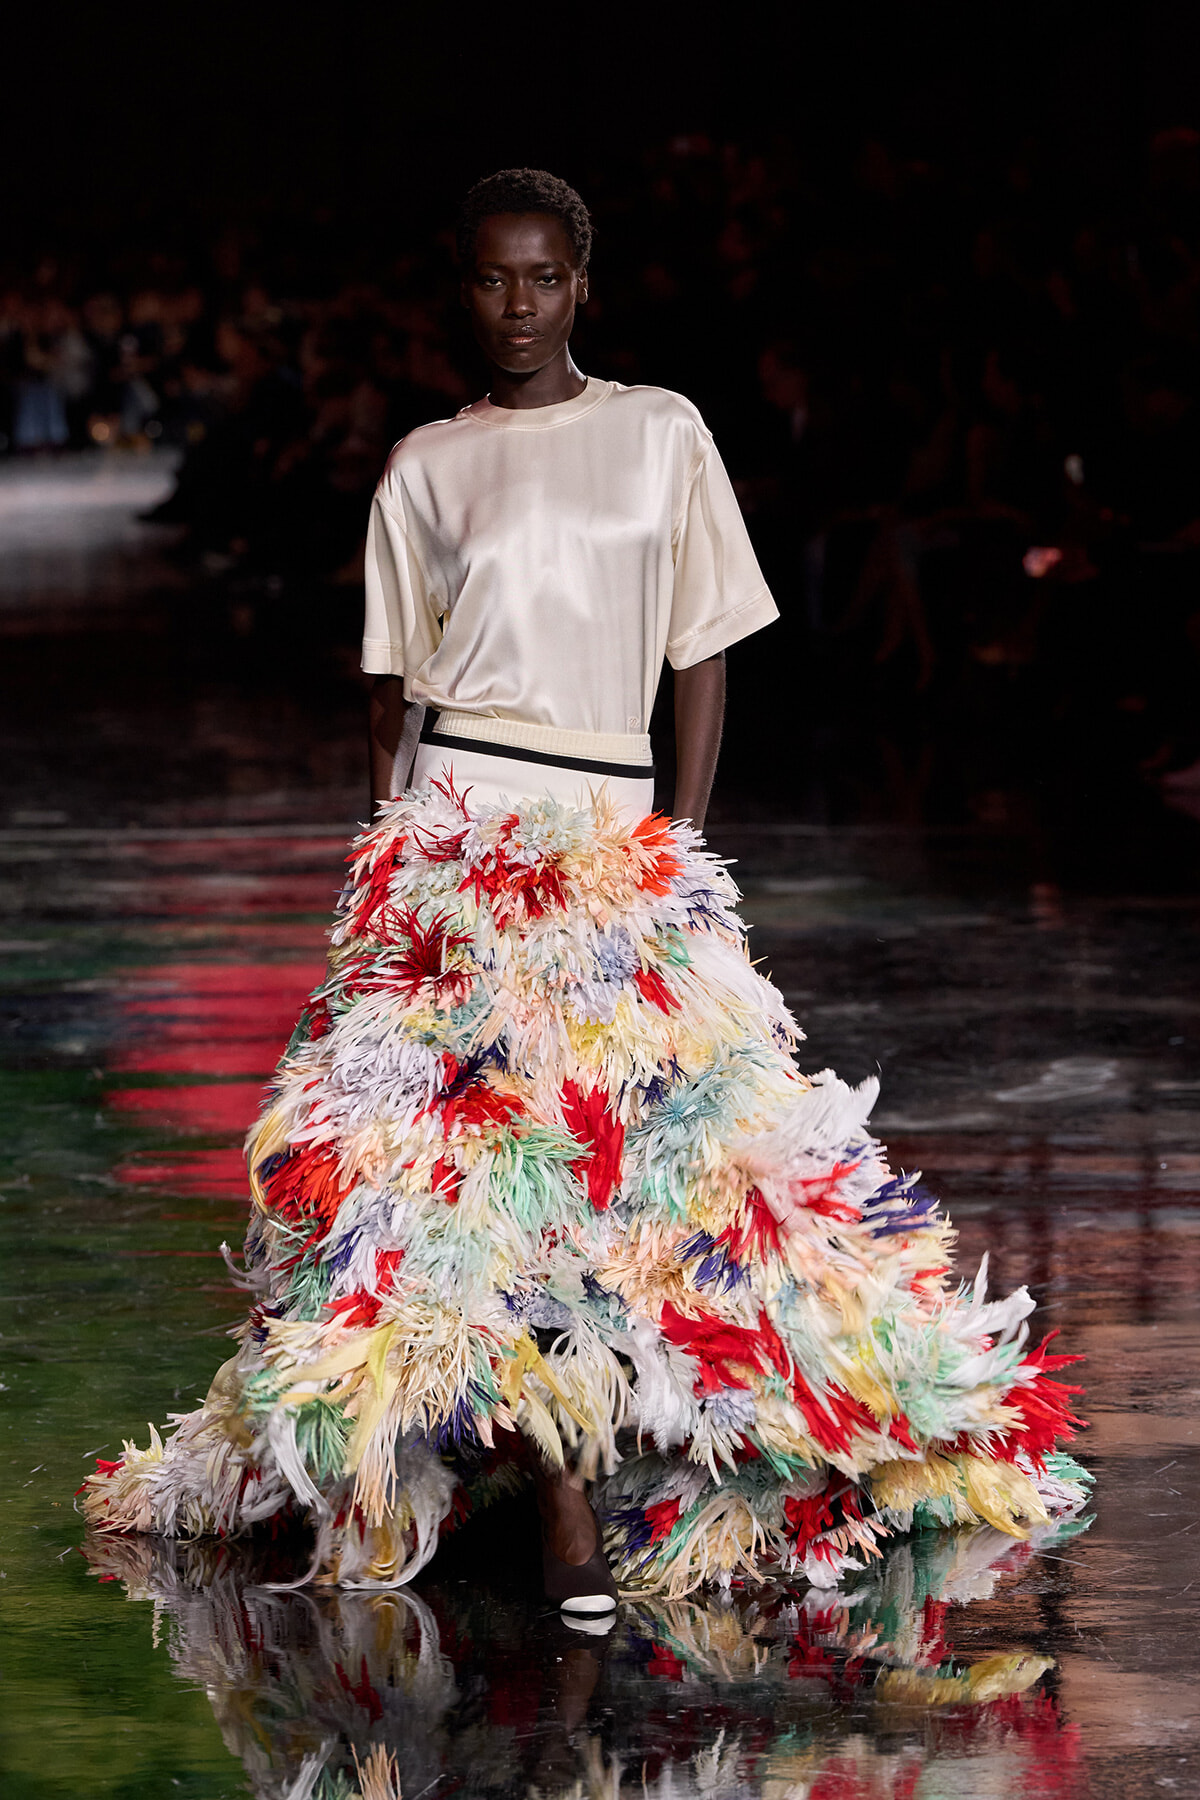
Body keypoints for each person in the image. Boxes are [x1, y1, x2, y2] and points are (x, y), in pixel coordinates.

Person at [83, 170, 1089, 1614]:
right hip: (461, 831)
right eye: (492, 278)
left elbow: (704, 654)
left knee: (665, 1167)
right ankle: (558, 1484)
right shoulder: (425, 465)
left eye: (543, 277)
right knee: (470, 1185)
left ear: (581, 284)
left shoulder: (660, 431)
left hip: (617, 835)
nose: (517, 304)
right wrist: (390, 883)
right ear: (461, 287)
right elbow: (390, 705)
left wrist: (677, 842)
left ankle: (626, 1451)